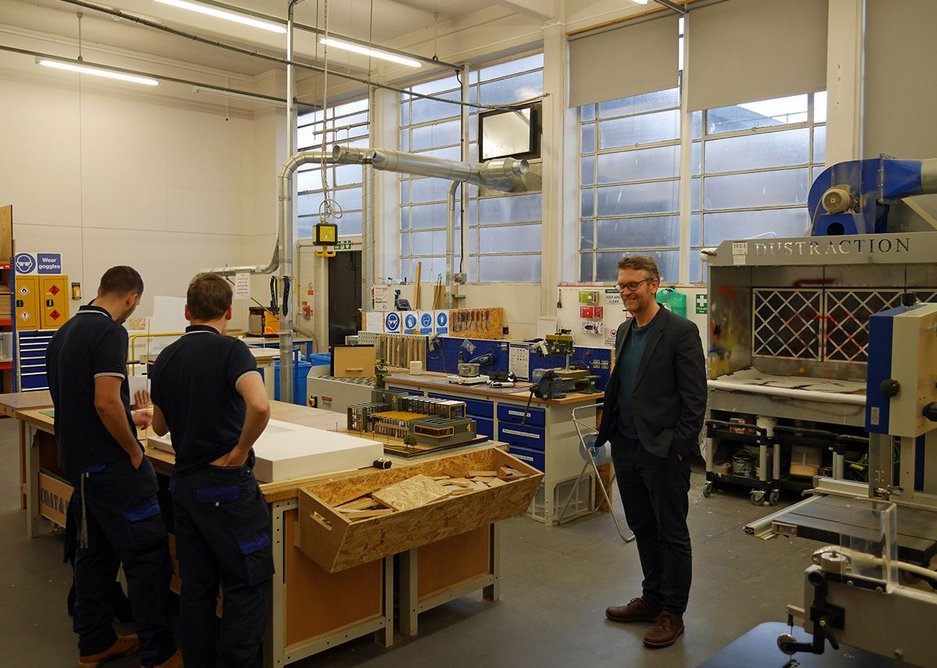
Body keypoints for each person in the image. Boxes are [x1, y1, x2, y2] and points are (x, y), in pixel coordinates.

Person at [46, 266, 180, 668]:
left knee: (95, 558)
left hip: (81, 469)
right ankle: (159, 653)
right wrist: (135, 452)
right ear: (131, 299)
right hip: (112, 468)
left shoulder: (64, 332)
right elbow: (104, 402)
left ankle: (95, 643)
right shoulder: (110, 332)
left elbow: (84, 401)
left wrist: (129, 414)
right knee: (148, 560)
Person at [150, 272, 272, 667]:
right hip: (225, 487)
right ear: (228, 311)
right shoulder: (232, 352)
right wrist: (241, 449)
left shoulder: (165, 358)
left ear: (188, 312)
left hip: (185, 487)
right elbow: (260, 406)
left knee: (197, 589)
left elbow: (159, 426)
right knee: (244, 584)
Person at [595, 255, 707, 649]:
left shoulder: (680, 331)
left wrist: (678, 447)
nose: (626, 292)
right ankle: (652, 597)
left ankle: (672, 613)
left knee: (672, 534)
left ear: (654, 285)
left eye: (633, 285)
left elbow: (695, 399)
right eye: (621, 286)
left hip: (663, 451)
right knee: (643, 526)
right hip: (626, 446)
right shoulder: (625, 330)